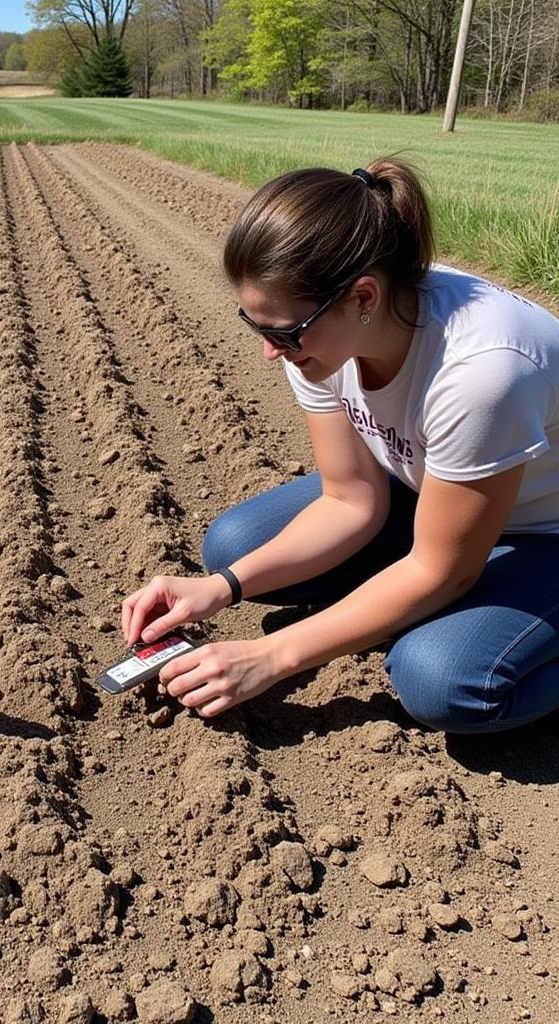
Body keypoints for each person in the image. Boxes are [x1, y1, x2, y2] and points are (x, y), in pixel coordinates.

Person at [120, 157, 559, 734]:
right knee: (234, 549)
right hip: (442, 492)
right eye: (257, 327)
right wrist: (220, 589)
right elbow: (352, 499)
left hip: (545, 530)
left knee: (438, 678)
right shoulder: (320, 335)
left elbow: (442, 569)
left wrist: (275, 656)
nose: (270, 351)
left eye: (281, 332)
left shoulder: (481, 373)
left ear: (363, 296)